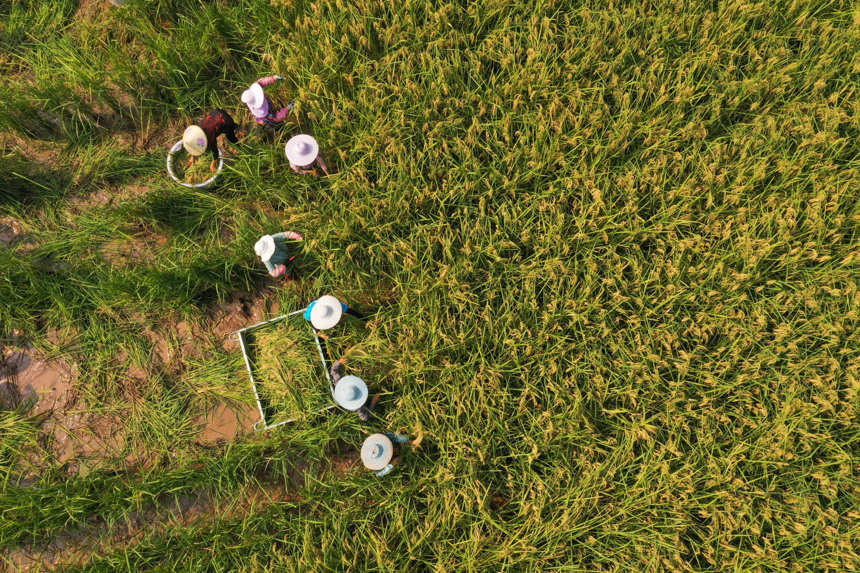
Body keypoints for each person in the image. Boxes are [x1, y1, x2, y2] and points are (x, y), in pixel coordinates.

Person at [330, 356, 379, 421]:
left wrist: (339, 362)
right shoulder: (358, 407)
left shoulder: (339, 383)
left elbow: (334, 370)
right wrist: (373, 402)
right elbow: (364, 418)